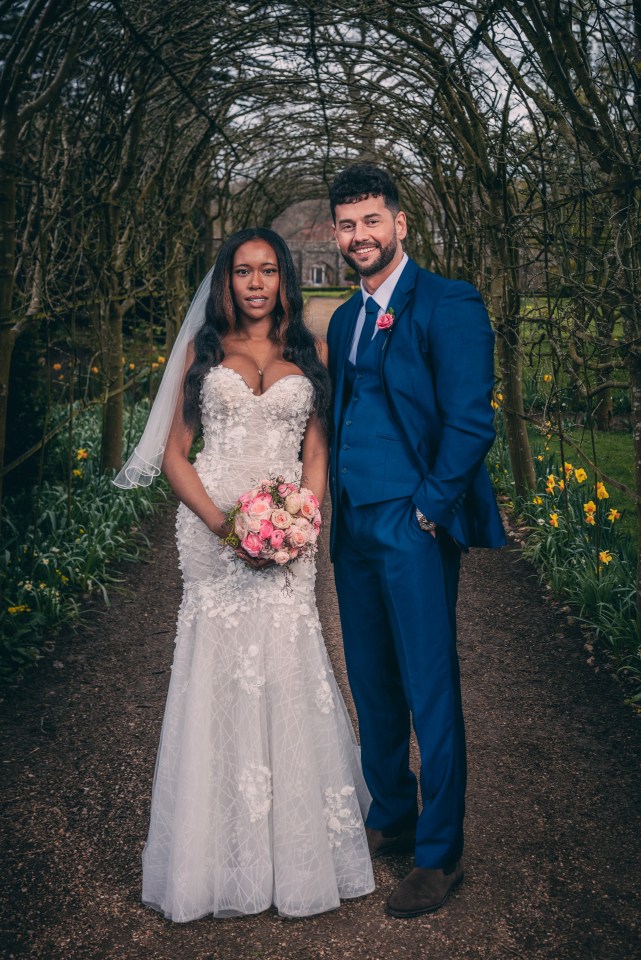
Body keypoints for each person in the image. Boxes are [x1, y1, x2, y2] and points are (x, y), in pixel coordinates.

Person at [115, 227, 374, 921]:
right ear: (226, 282)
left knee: (288, 667)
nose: (255, 283)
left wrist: (301, 523)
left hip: (288, 535)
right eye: (242, 272)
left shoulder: (309, 353)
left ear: (284, 280)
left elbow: (316, 452)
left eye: (267, 271)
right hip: (214, 531)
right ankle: (212, 849)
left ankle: (292, 852)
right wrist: (223, 525)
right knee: (218, 671)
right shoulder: (206, 354)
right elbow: (175, 454)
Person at [326, 164, 506, 919]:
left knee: (428, 684)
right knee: (370, 679)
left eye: (371, 220)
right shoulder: (341, 320)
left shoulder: (449, 303)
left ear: (399, 224)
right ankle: (393, 812)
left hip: (411, 525)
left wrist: (427, 512)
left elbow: (470, 422)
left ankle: (439, 852)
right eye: (346, 224)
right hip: (351, 526)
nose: (359, 235)